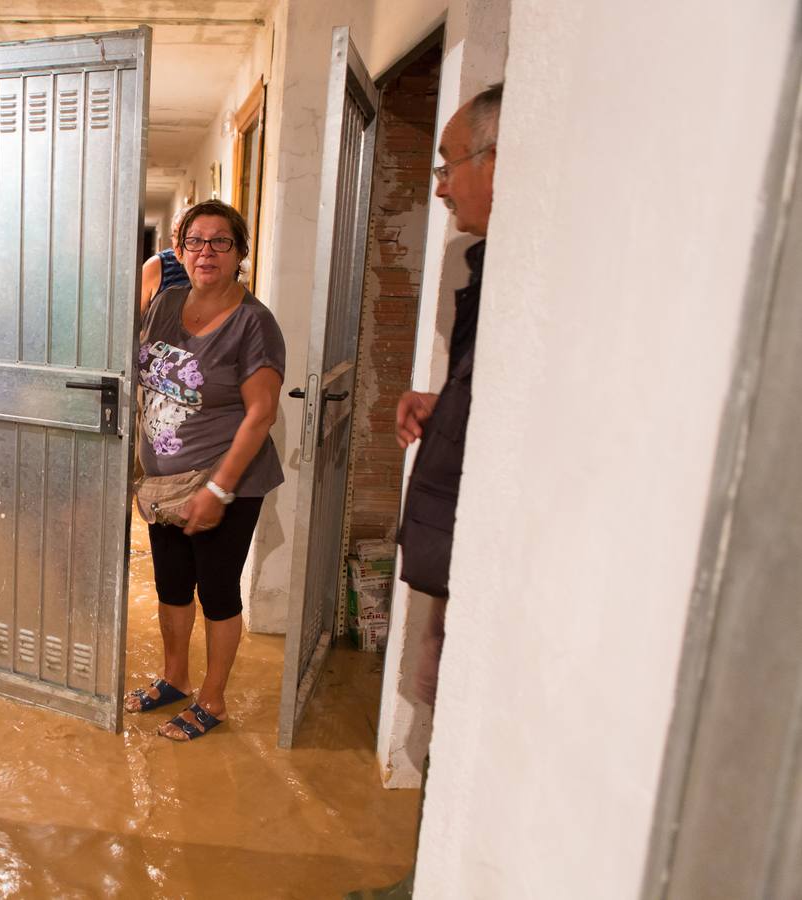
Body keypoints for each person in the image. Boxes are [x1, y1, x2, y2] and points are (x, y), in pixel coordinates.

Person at [349, 84, 502, 900]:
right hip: (456, 541)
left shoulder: (531, 270)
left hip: (483, 552)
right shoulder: (497, 268)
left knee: (462, 713)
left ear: (497, 160)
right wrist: (448, 403)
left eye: (450, 165)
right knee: (443, 698)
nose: (440, 183)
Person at [124, 200, 285, 742]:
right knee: (171, 584)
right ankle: (175, 678)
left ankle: (212, 699)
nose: (206, 252)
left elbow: (262, 413)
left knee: (216, 589)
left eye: (221, 242)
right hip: (166, 481)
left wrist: (219, 488)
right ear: (178, 249)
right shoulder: (165, 302)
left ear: (240, 252)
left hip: (226, 480)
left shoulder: (253, 323)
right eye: (195, 241)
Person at [139, 208, 191, 313]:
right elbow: (133, 322)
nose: (178, 244)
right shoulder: (156, 266)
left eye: (187, 236)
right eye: (175, 235)